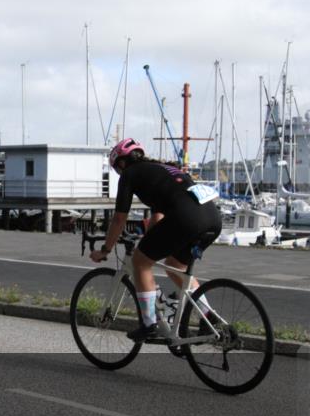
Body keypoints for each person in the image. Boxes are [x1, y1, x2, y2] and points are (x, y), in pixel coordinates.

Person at [90, 138, 222, 341]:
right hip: (212, 218)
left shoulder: (130, 174)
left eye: (117, 169)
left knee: (140, 262)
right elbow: (158, 218)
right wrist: (144, 235)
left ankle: (149, 325)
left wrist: (106, 249)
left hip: (186, 218)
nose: (119, 173)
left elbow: (118, 218)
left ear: (122, 163)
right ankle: (208, 319)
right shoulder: (162, 170)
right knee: (174, 264)